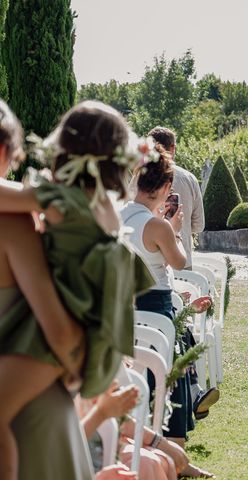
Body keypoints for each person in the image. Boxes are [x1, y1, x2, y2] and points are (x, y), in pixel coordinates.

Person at [1, 100, 156, 479]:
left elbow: (10, 196)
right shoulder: (101, 207)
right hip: (81, 327)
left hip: (43, 339)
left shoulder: (61, 201)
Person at [120, 151, 215, 479]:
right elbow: (179, 262)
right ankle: (175, 448)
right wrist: (173, 227)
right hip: (156, 304)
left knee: (134, 375)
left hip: (123, 306)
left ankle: (143, 443)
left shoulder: (118, 215)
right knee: (167, 377)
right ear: (165, 187)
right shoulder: (158, 225)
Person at [147, 127, 204, 270]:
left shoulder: (139, 178)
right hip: (182, 258)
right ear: (173, 148)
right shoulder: (189, 179)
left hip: (151, 261)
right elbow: (199, 225)